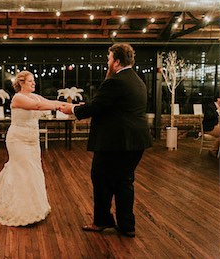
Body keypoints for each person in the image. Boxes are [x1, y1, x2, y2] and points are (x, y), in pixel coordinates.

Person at [58, 43, 152, 238]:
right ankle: (127, 226)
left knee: (101, 179)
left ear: (117, 61)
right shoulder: (137, 80)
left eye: (109, 59)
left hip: (115, 142)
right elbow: (111, 106)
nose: (107, 62)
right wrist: (89, 106)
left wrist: (73, 109)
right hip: (137, 141)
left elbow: (99, 106)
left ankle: (101, 221)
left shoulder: (115, 81)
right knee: (125, 181)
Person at [0, 71, 67, 226]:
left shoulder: (35, 96)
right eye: (30, 81)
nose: (33, 83)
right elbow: (37, 106)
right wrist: (58, 106)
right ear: (22, 83)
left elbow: (50, 101)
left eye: (34, 81)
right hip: (18, 140)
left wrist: (74, 106)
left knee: (34, 171)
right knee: (22, 171)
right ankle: (20, 210)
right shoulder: (18, 98)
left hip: (33, 140)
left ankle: (35, 206)